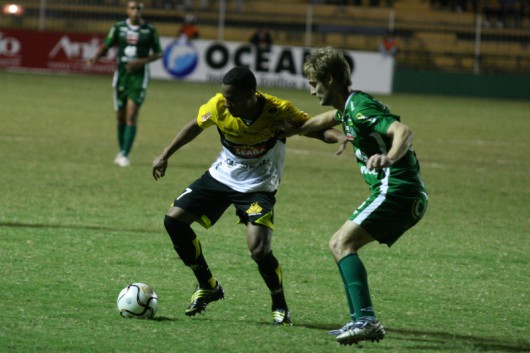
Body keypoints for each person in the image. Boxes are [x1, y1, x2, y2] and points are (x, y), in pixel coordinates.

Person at [152, 66, 344, 325]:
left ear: (250, 95)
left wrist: (341, 137)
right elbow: (196, 125)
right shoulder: (218, 105)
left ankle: (279, 302)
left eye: (232, 98)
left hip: (258, 186)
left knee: (259, 249)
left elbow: (314, 129)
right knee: (173, 220)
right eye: (225, 97)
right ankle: (208, 285)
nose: (226, 103)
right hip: (221, 176)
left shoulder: (278, 110)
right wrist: (165, 153)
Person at [297, 47, 428, 345]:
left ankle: (366, 320)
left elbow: (403, 131)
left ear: (329, 79)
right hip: (405, 194)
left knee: (340, 242)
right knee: (342, 244)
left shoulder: (360, 108)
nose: (311, 90)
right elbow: (328, 118)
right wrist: (292, 128)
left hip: (397, 189)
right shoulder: (349, 107)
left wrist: (390, 158)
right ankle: (360, 319)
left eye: (313, 83)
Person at [87, 1, 162, 167]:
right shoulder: (118, 27)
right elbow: (106, 45)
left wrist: (141, 61)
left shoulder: (149, 30)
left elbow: (158, 53)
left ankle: (125, 154)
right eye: (132, 8)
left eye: (138, 9)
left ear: (142, 11)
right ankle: (121, 151)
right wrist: (94, 59)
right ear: (127, 10)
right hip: (121, 76)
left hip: (139, 77)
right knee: (120, 116)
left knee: (131, 115)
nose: (136, 11)